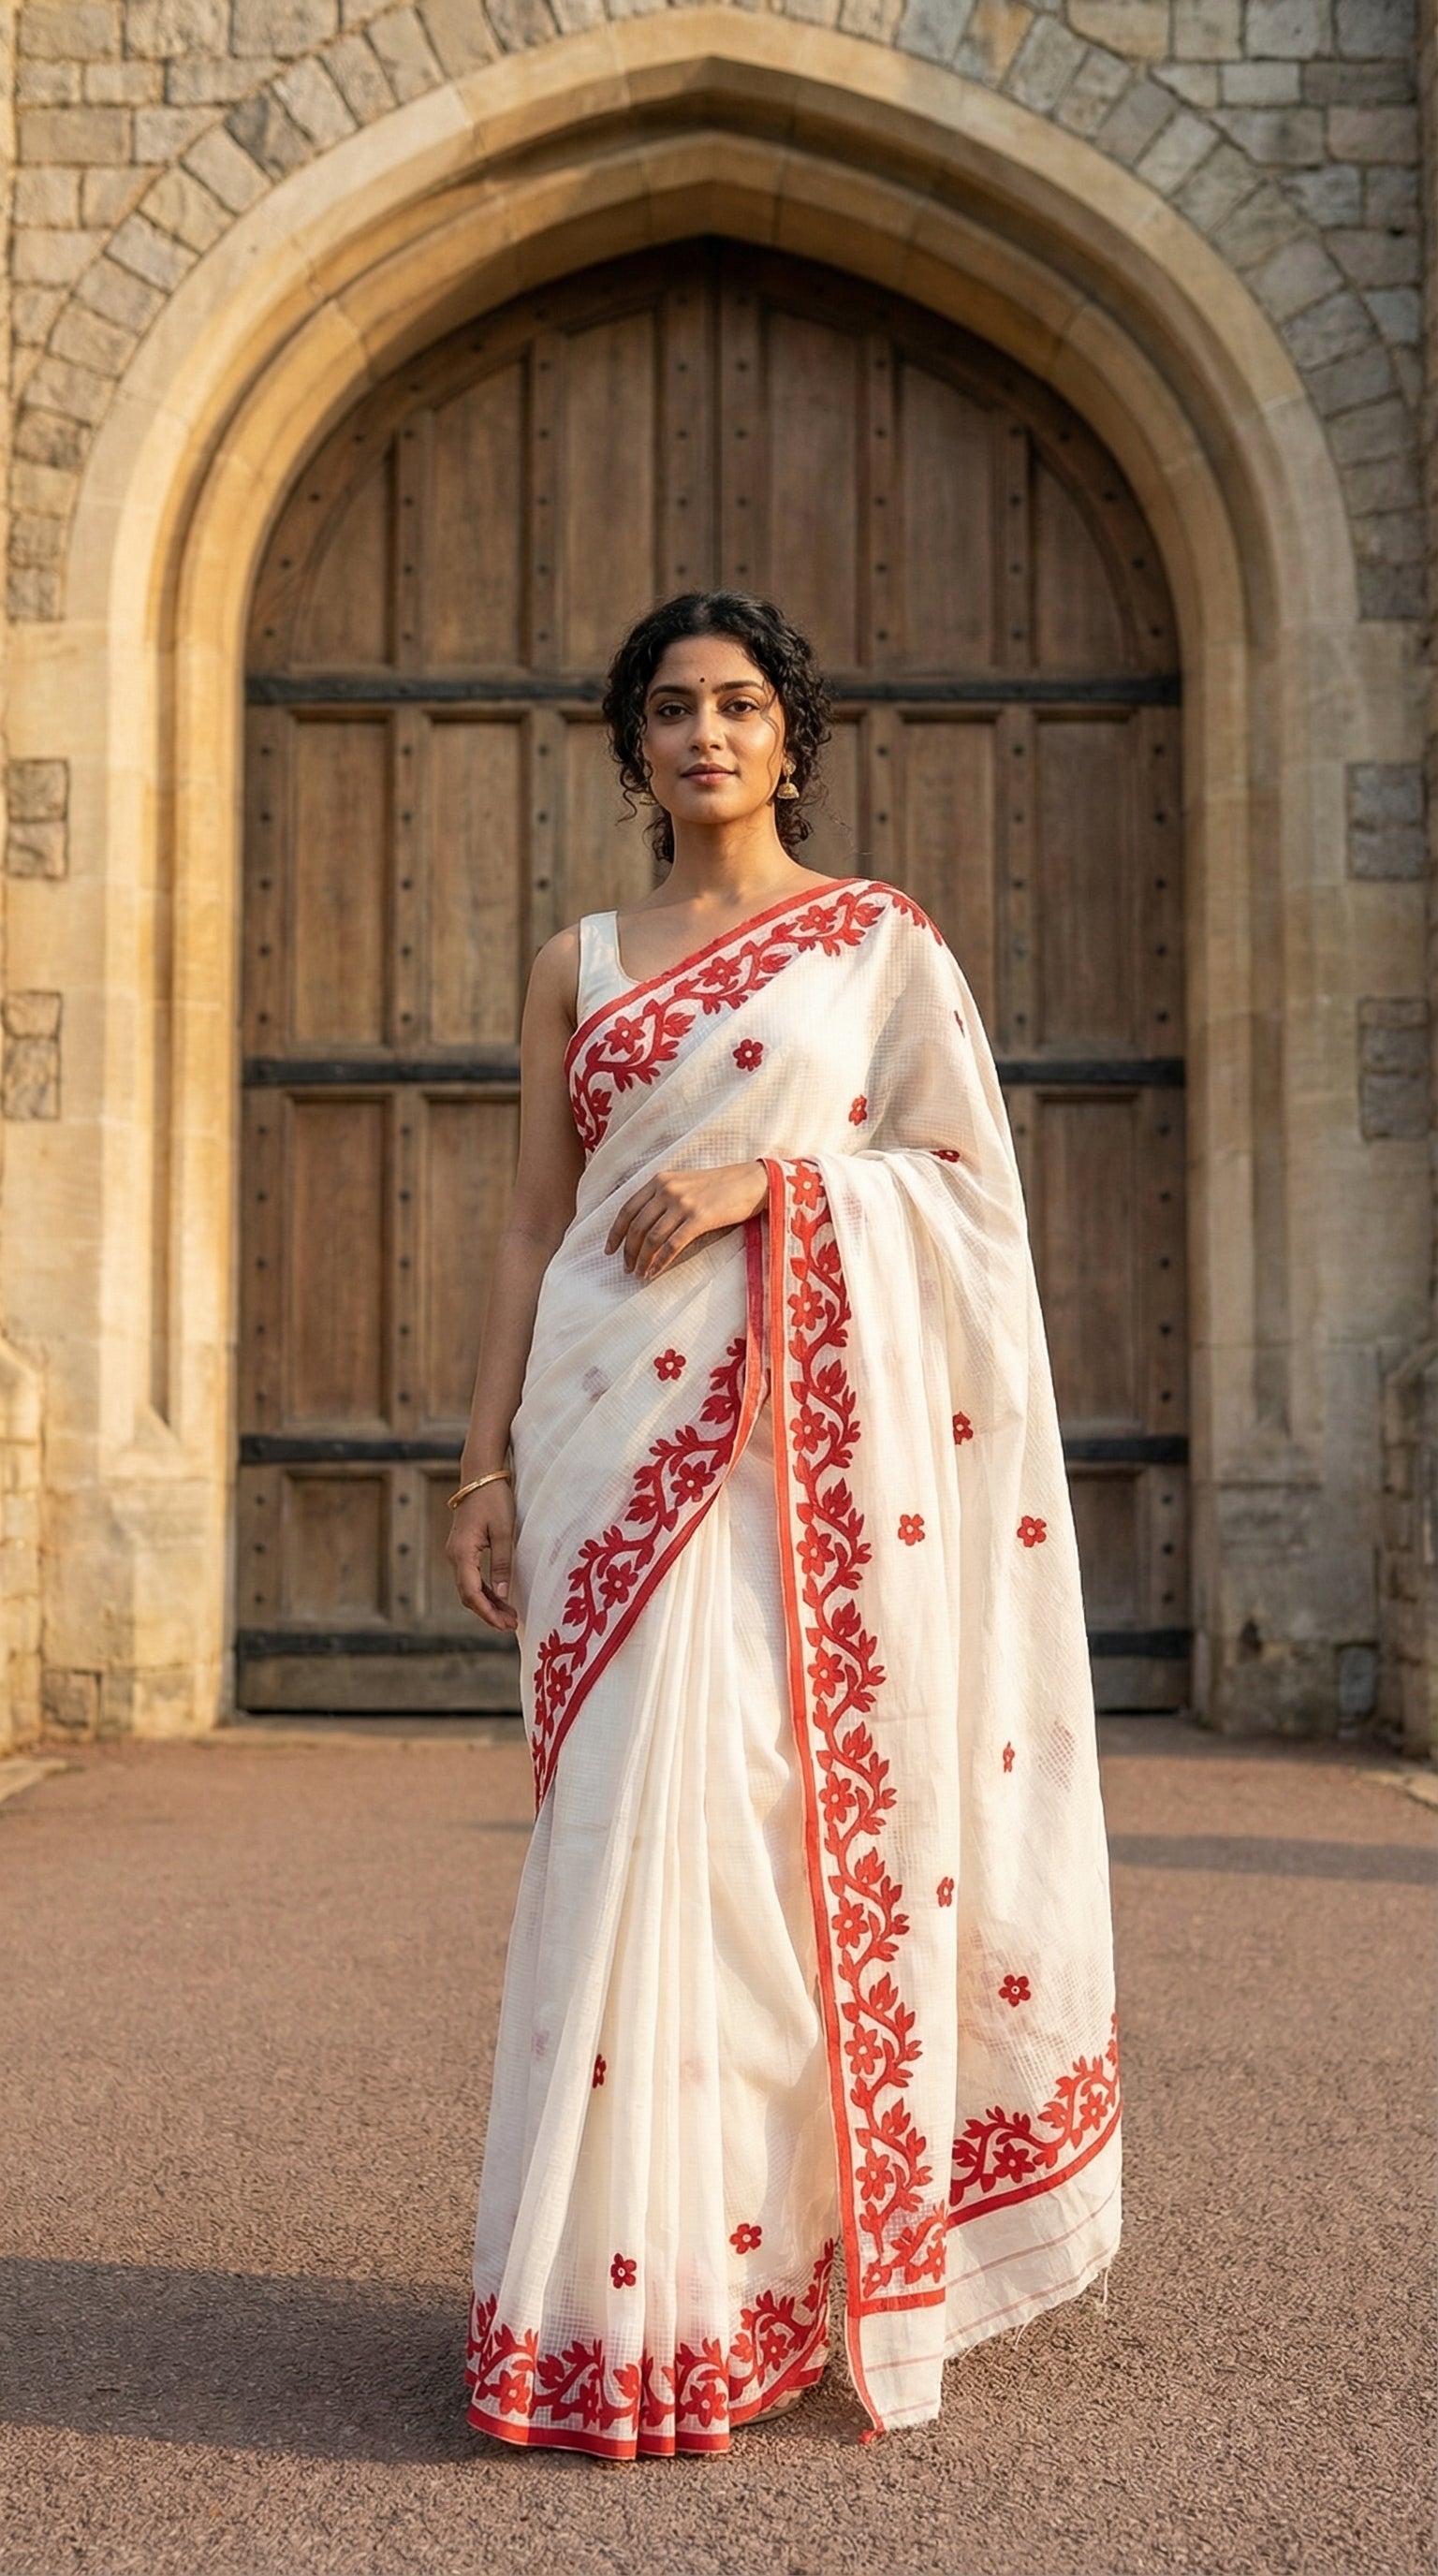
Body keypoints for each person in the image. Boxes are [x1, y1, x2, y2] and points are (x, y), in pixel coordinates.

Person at [448, 592, 1120, 2462]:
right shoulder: (580, 960)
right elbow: (528, 1218)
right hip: (602, 1429)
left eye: (739, 705)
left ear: (791, 734)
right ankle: (595, 2300)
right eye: (670, 709)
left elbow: (963, 1200)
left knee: (755, 1837)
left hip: (784, 1462)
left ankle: (747, 2277)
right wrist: (479, 1451)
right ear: (633, 744)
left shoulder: (877, 948)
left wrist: (771, 1181)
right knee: (614, 1842)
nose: (706, 735)